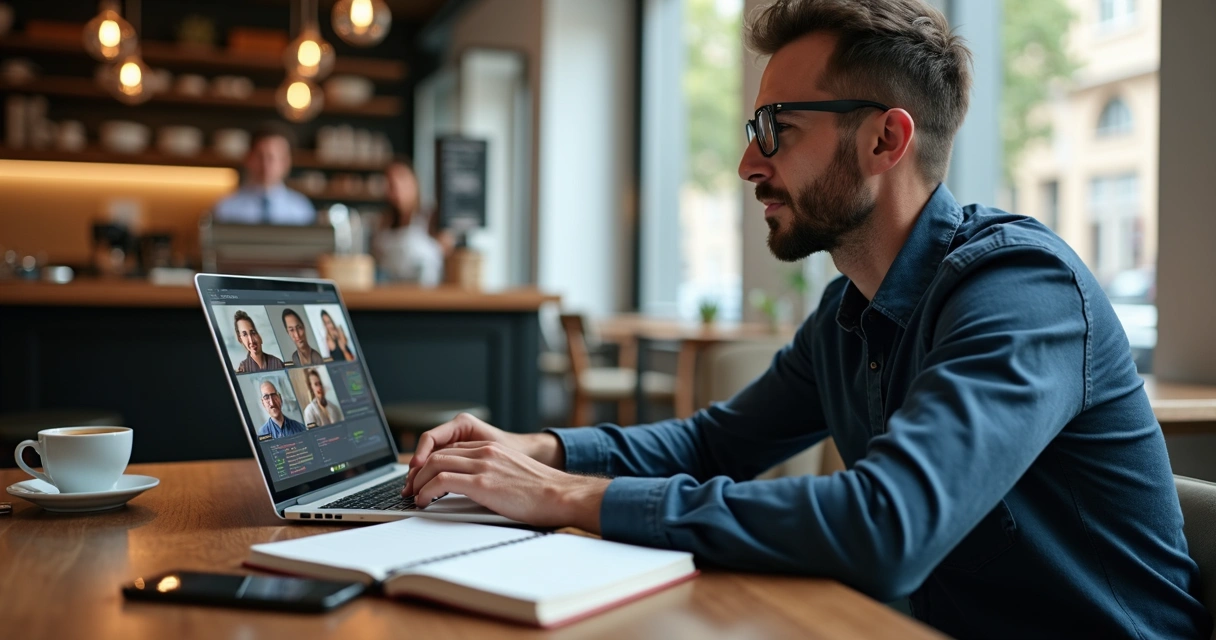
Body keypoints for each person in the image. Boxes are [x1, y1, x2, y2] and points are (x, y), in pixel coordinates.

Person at [401, 1, 1211, 638]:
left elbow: (886, 526)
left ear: (885, 140)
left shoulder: (1018, 288)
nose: (749, 161)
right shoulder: (850, 312)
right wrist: (533, 450)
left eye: (775, 130)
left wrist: (573, 497)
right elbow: (713, 442)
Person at [212, 124, 315, 225]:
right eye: (260, 157)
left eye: (272, 157)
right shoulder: (226, 209)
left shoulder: (301, 210)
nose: (266, 165)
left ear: (286, 161)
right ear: (248, 158)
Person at [372, 161, 453, 286]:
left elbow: (447, 255)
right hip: (389, 295)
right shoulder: (383, 223)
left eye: (401, 178)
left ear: (415, 181)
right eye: (391, 182)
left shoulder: (432, 217)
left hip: (424, 297)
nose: (397, 186)